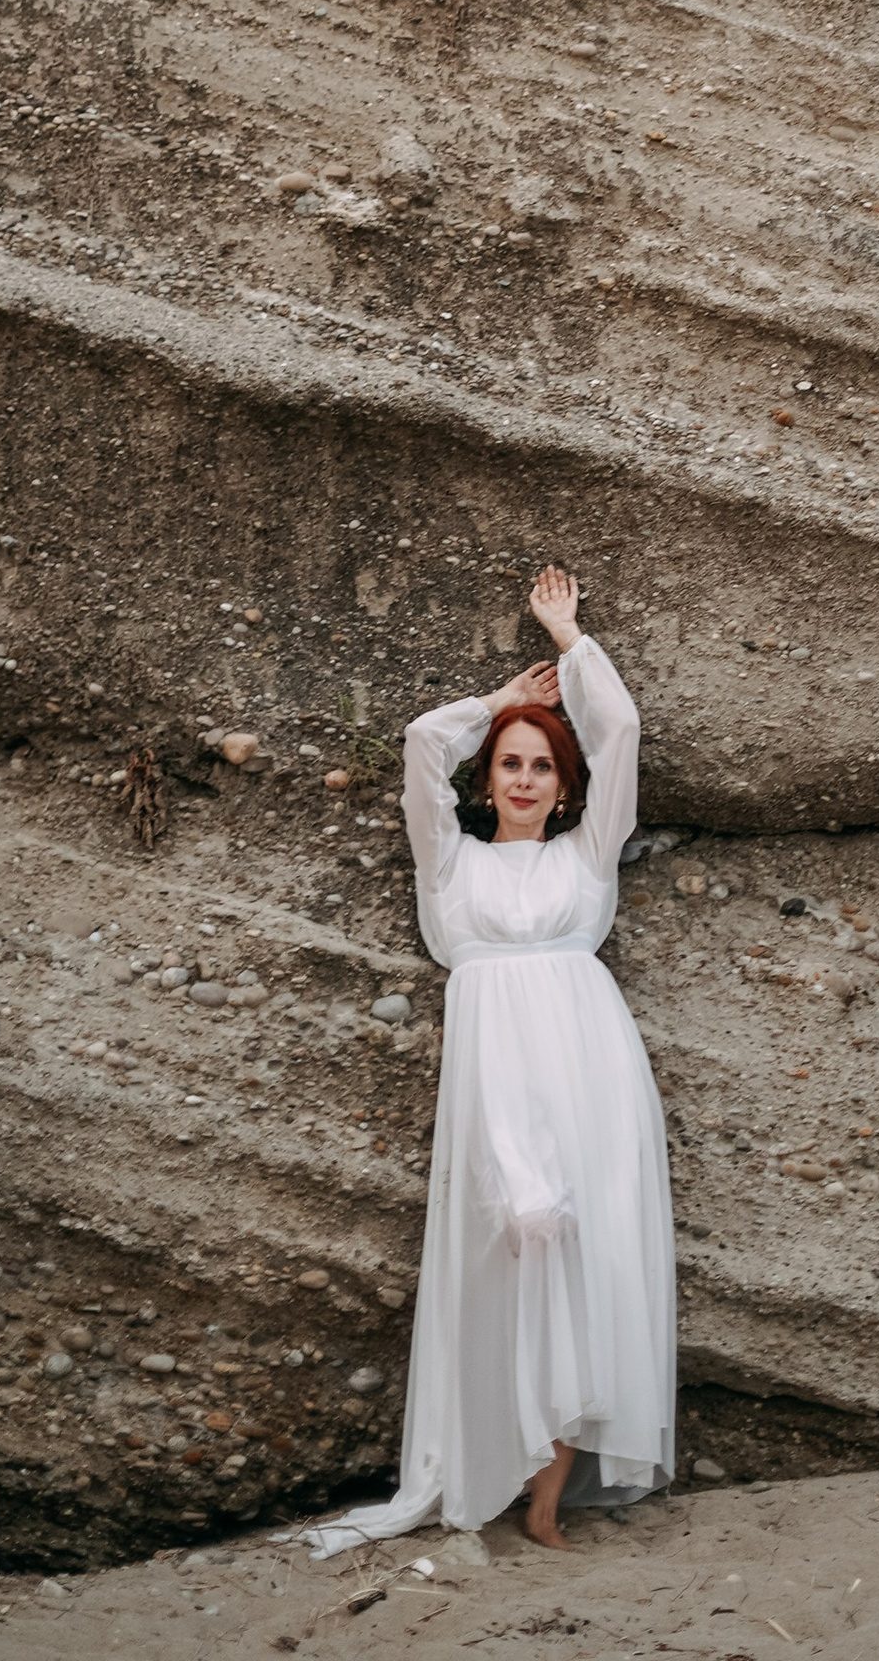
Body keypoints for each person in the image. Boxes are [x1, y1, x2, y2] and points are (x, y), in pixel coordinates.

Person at [299, 564, 675, 1556]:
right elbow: (423, 742)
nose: (523, 779)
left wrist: (571, 644)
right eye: (509, 763)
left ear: (563, 789)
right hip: (494, 1076)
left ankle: (548, 1502)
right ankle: (494, 1464)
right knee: (508, 1255)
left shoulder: (586, 856)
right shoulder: (450, 864)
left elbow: (622, 732)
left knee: (583, 1265)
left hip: (590, 1070)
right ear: (488, 779)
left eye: (541, 767)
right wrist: (501, 700)